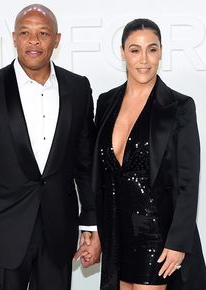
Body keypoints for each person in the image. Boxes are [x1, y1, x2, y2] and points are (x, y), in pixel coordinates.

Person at [0, 4, 100, 290]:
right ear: (14, 38)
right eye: (25, 33)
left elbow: (85, 163)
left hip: (59, 236)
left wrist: (91, 225)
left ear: (57, 39)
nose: (34, 40)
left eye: (43, 33)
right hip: (1, 238)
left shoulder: (78, 88)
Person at [92, 18, 206, 290]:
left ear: (161, 52)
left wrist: (178, 243)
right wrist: (95, 230)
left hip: (157, 234)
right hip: (117, 234)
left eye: (152, 49)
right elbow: (101, 175)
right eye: (134, 50)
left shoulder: (178, 106)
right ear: (122, 53)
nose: (144, 59)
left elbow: (189, 183)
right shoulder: (106, 102)